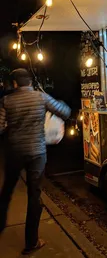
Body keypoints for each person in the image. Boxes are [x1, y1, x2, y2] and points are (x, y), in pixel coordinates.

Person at [0, 68, 71, 255]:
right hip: (37, 153)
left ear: (15, 83)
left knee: (6, 192)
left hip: (14, 152)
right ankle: (31, 242)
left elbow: (0, 127)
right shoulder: (41, 98)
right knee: (34, 196)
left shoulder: (6, 101)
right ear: (30, 82)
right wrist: (59, 102)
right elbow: (65, 112)